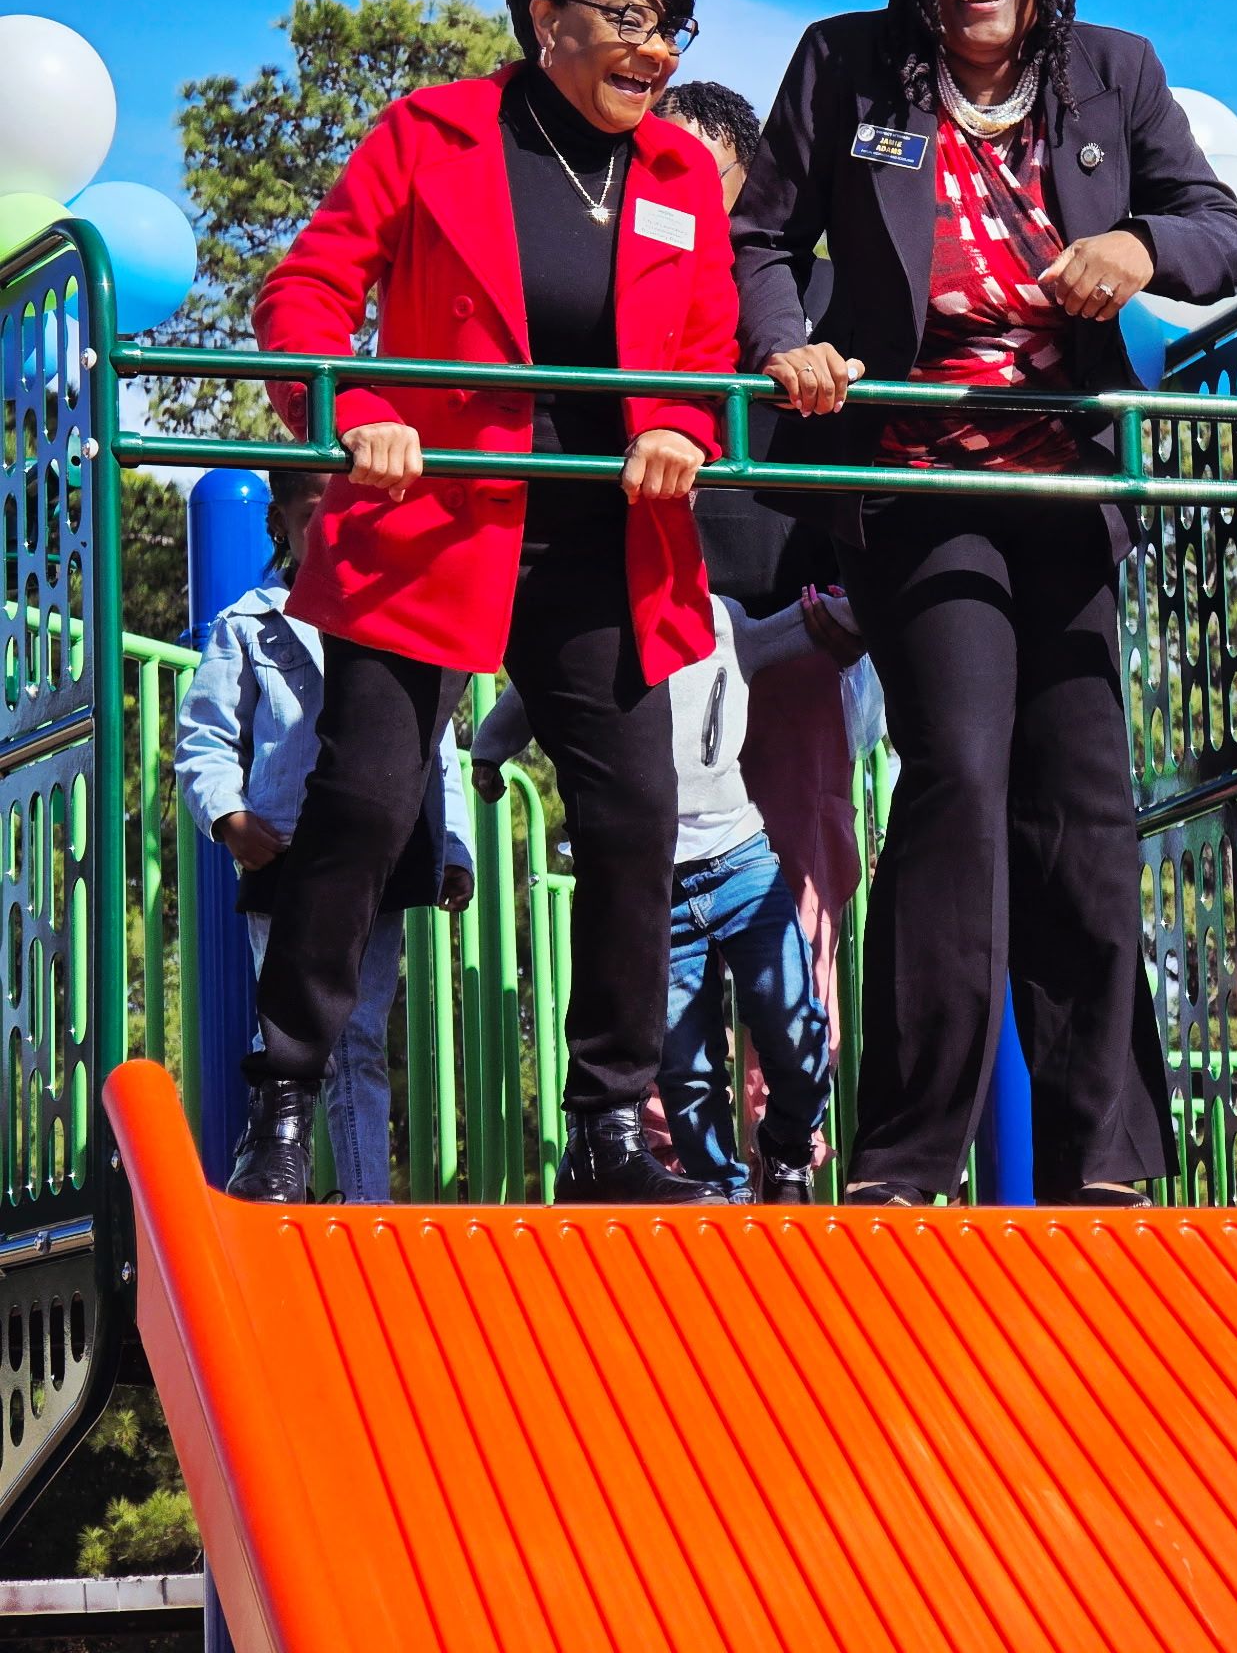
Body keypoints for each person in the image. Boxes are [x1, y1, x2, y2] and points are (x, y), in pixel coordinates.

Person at [732, 0, 1237, 1208]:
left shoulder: (1113, 71)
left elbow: (1221, 233)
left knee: (1081, 812)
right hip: (916, 478)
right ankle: (907, 1158)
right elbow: (763, 238)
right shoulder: (848, 70)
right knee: (960, 773)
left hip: (1060, 484)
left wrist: (1138, 249)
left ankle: (1110, 1163)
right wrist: (792, 345)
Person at [235, 0, 740, 1206]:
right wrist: (356, 411)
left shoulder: (682, 175)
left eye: (672, 28)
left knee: (634, 826)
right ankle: (283, 1099)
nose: (659, 52)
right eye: (631, 23)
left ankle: (611, 1134)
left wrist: (682, 429)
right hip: (436, 522)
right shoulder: (434, 133)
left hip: (602, 539)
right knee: (361, 806)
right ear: (545, 18)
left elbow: (702, 356)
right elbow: (304, 290)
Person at [471, 584, 863, 1201]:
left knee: (795, 1023)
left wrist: (854, 605)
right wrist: (488, 751)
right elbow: (532, 687)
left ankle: (788, 1143)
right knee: (685, 1069)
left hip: (740, 862)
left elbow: (795, 627)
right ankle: (721, 1190)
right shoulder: (594, 631)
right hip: (656, 884)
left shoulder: (720, 618)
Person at [655, 81, 865, 1167]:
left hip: (797, 629)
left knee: (798, 880)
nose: (678, 188)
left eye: (700, 169)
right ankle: (676, 1147)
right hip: (666, 633)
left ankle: (792, 1125)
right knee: (654, 889)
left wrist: (845, 609)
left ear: (745, 175)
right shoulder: (633, 285)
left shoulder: (808, 286)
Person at [174, 469, 474, 1202]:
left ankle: (367, 1200)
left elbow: (437, 747)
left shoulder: (397, 618)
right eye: (316, 517)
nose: (335, 534)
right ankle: (274, 1178)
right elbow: (204, 738)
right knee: (286, 1029)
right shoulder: (249, 622)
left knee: (360, 1038)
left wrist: (456, 846)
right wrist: (228, 815)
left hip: (377, 857)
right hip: (289, 857)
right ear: (282, 520)